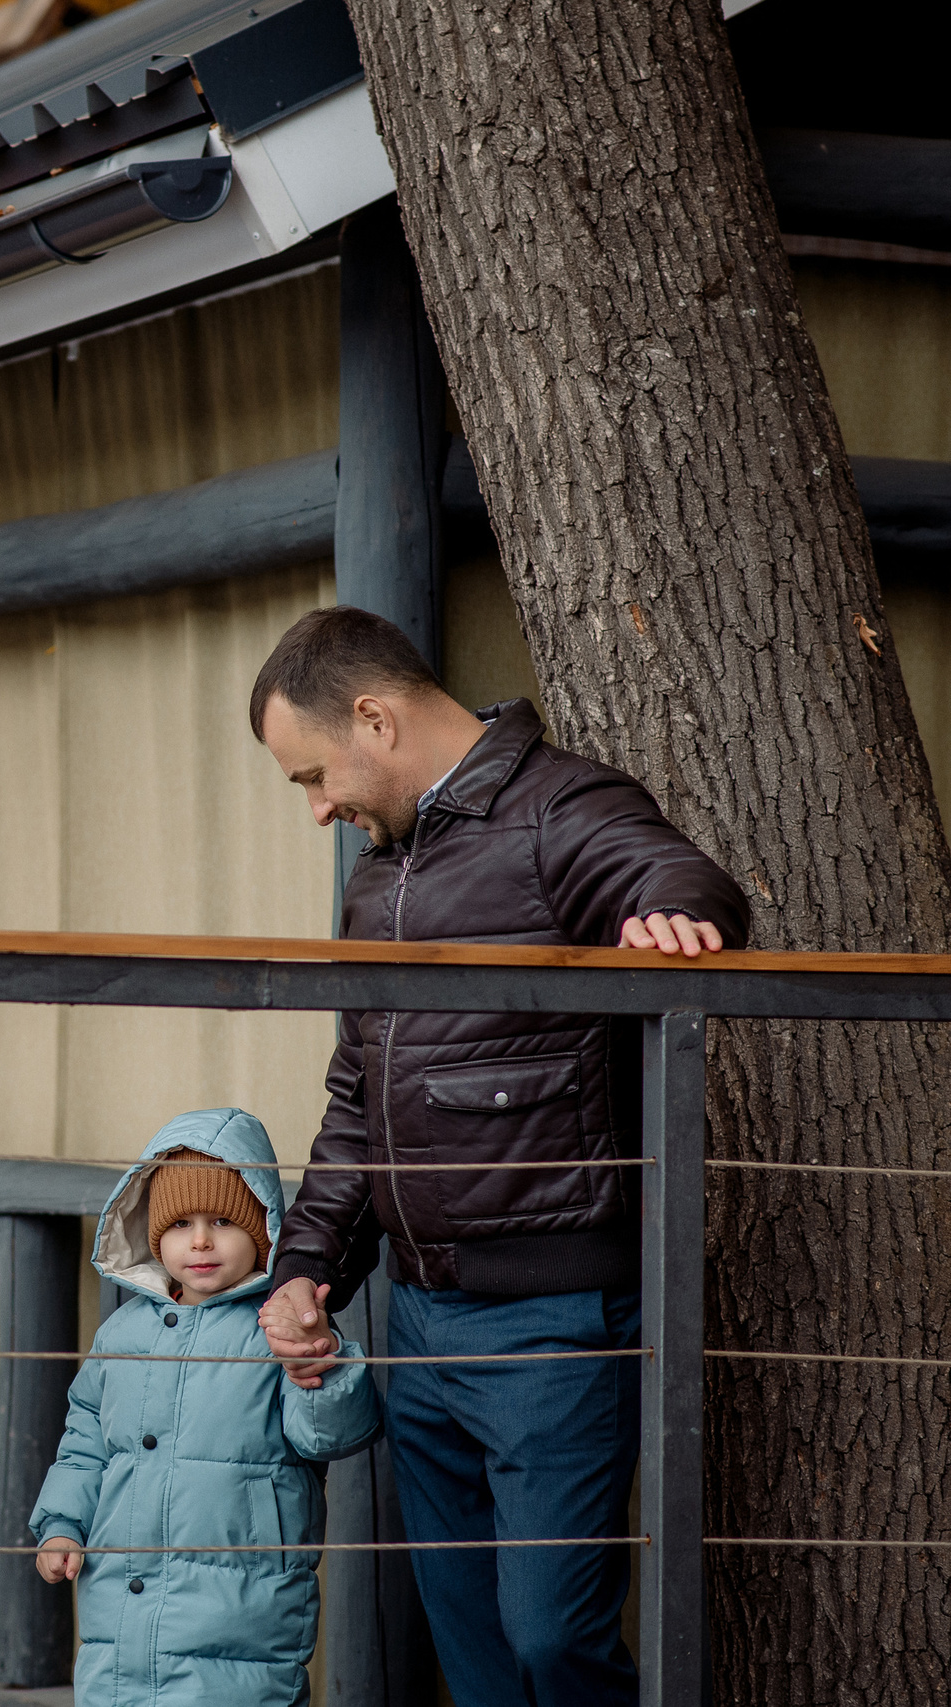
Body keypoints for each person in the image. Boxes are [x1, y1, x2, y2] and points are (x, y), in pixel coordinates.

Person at [245, 606, 748, 1707]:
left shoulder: (560, 806)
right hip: (418, 1325)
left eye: (311, 777)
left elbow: (682, 880)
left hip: (554, 1323)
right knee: (469, 1647)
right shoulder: (375, 879)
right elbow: (356, 1098)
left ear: (372, 718)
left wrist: (671, 914)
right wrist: (305, 1266)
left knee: (548, 1641)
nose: (318, 807)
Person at [30, 1109, 379, 1707]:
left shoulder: (276, 1330)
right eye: (180, 1223)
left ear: (265, 1231)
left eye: (223, 1221)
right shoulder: (122, 1333)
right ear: (151, 1232)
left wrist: (320, 1357)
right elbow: (85, 1441)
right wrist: (61, 1525)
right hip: (121, 1605)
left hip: (242, 1603)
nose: (200, 1240)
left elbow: (328, 1436)